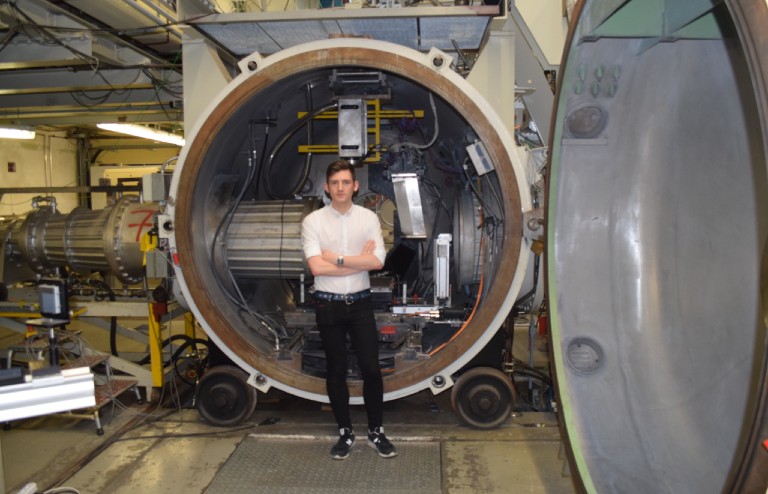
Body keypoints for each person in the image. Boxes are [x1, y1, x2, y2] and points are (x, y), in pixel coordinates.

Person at [301, 160, 397, 460]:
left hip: (360, 305)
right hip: (328, 305)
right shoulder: (313, 222)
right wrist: (357, 261)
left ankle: (376, 430)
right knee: (336, 371)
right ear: (326, 187)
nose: (340, 188)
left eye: (346, 182)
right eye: (335, 183)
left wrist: (338, 260)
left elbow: (378, 263)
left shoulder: (368, 219)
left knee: (371, 369)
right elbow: (316, 266)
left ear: (355, 186)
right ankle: (345, 432)